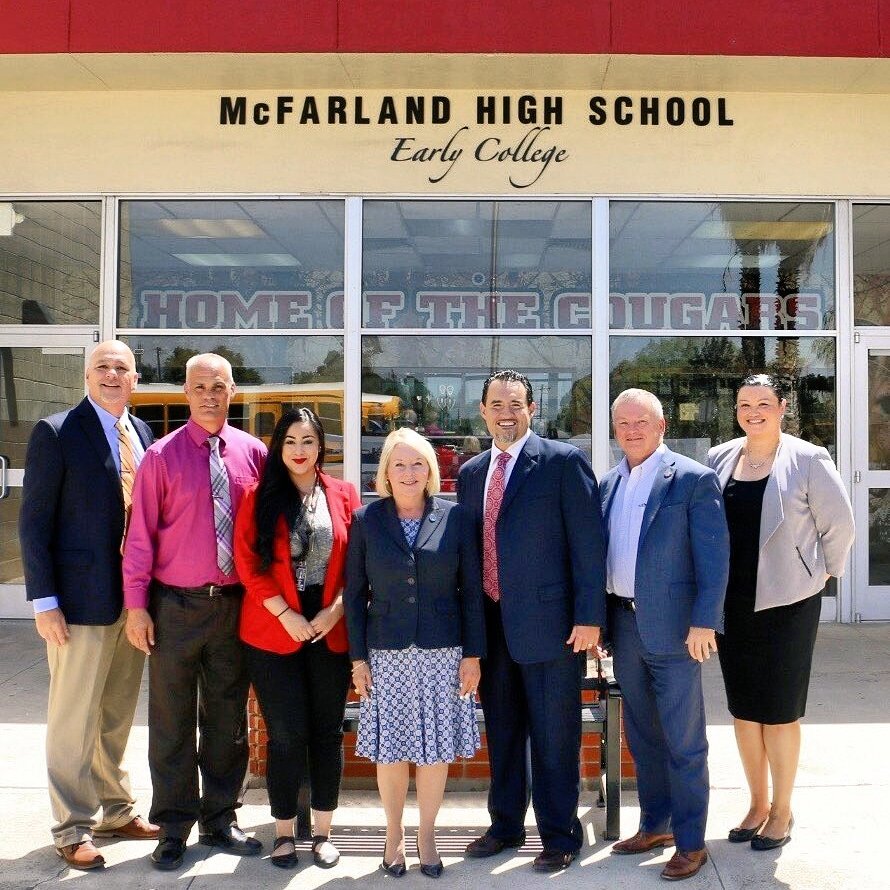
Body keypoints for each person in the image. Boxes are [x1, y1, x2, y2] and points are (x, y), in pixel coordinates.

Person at [456, 369, 606, 872]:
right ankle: (504, 826)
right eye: (496, 404)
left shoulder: (563, 463)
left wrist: (589, 618)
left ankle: (561, 834)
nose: (506, 412)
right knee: (502, 731)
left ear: (532, 410)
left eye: (516, 403)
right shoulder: (473, 472)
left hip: (552, 627)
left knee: (554, 734)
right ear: (482, 410)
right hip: (492, 627)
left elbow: (589, 545)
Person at [122, 353, 267, 871]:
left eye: (220, 386)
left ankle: (222, 817)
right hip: (175, 607)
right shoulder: (159, 457)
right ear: (187, 392)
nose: (210, 395)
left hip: (234, 607)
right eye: (200, 385)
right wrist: (137, 606)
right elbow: (138, 540)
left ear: (233, 392)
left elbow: (267, 532)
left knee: (228, 719)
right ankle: (175, 824)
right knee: (171, 720)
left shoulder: (253, 453)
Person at [19, 340, 158, 870]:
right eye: (102, 366)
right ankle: (71, 825)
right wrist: (44, 601)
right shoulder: (56, 432)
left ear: (135, 379)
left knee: (117, 714)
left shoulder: (141, 433)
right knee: (73, 719)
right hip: (77, 604)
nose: (112, 374)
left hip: (131, 601)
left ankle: (116, 809)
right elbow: (33, 524)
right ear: (86, 376)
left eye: (122, 368)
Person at [708, 374, 854, 850]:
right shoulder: (720, 457)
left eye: (763, 403)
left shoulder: (808, 458)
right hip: (735, 603)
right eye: (744, 403)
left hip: (788, 602)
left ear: (781, 407)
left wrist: (823, 573)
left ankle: (783, 810)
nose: (753, 412)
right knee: (745, 710)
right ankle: (756, 803)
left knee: (781, 711)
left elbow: (840, 523)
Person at [344, 427, 484, 878]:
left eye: (417, 463)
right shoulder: (367, 520)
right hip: (386, 655)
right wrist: (358, 659)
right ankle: (393, 834)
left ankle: (426, 834)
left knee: (434, 750)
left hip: (444, 652)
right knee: (392, 751)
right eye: (399, 464)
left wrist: (473, 654)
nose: (408, 472)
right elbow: (354, 594)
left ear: (431, 471)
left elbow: (472, 593)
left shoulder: (458, 518)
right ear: (386, 471)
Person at [602, 388, 729, 881]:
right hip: (625, 627)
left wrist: (705, 622)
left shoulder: (694, 480)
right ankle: (656, 825)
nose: (631, 431)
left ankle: (692, 841)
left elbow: (714, 560)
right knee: (643, 736)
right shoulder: (609, 483)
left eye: (641, 422)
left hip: (678, 631)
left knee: (684, 741)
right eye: (623, 424)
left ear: (661, 427)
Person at [234, 408, 361, 869]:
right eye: (290, 441)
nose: (300, 451)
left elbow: (356, 564)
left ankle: (324, 832)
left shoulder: (343, 494)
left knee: (327, 734)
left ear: (321, 445)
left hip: (330, 631)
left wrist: (336, 609)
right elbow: (247, 563)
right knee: (285, 735)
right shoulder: (257, 494)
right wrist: (285, 613)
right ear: (278, 446)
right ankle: (284, 831)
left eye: (308, 441)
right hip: (273, 632)